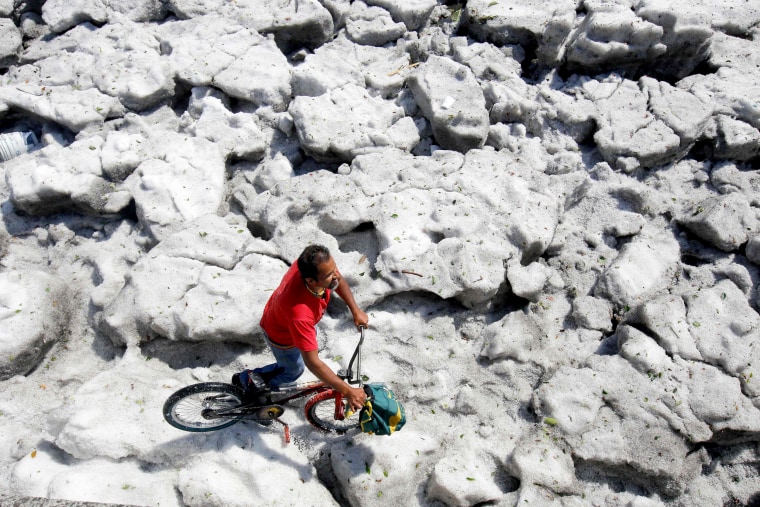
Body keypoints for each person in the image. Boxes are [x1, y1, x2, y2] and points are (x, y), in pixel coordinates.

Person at [234, 244, 369, 411]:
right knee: (293, 370)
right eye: (329, 274)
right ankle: (252, 384)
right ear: (311, 281)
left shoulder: (314, 267)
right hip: (282, 336)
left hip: (282, 316)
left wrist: (356, 310)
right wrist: (347, 391)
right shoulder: (300, 314)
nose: (336, 275)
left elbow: (338, 280)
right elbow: (312, 363)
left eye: (334, 269)